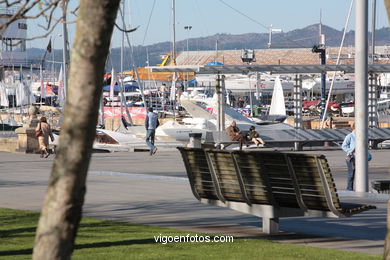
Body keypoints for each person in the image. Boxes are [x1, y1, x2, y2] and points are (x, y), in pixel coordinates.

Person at [342, 123, 356, 191]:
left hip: (360, 158)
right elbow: (344, 146)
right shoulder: (350, 136)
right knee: (351, 174)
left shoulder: (362, 136)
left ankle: (359, 188)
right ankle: (349, 189)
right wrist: (351, 150)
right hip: (351, 157)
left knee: (360, 174)